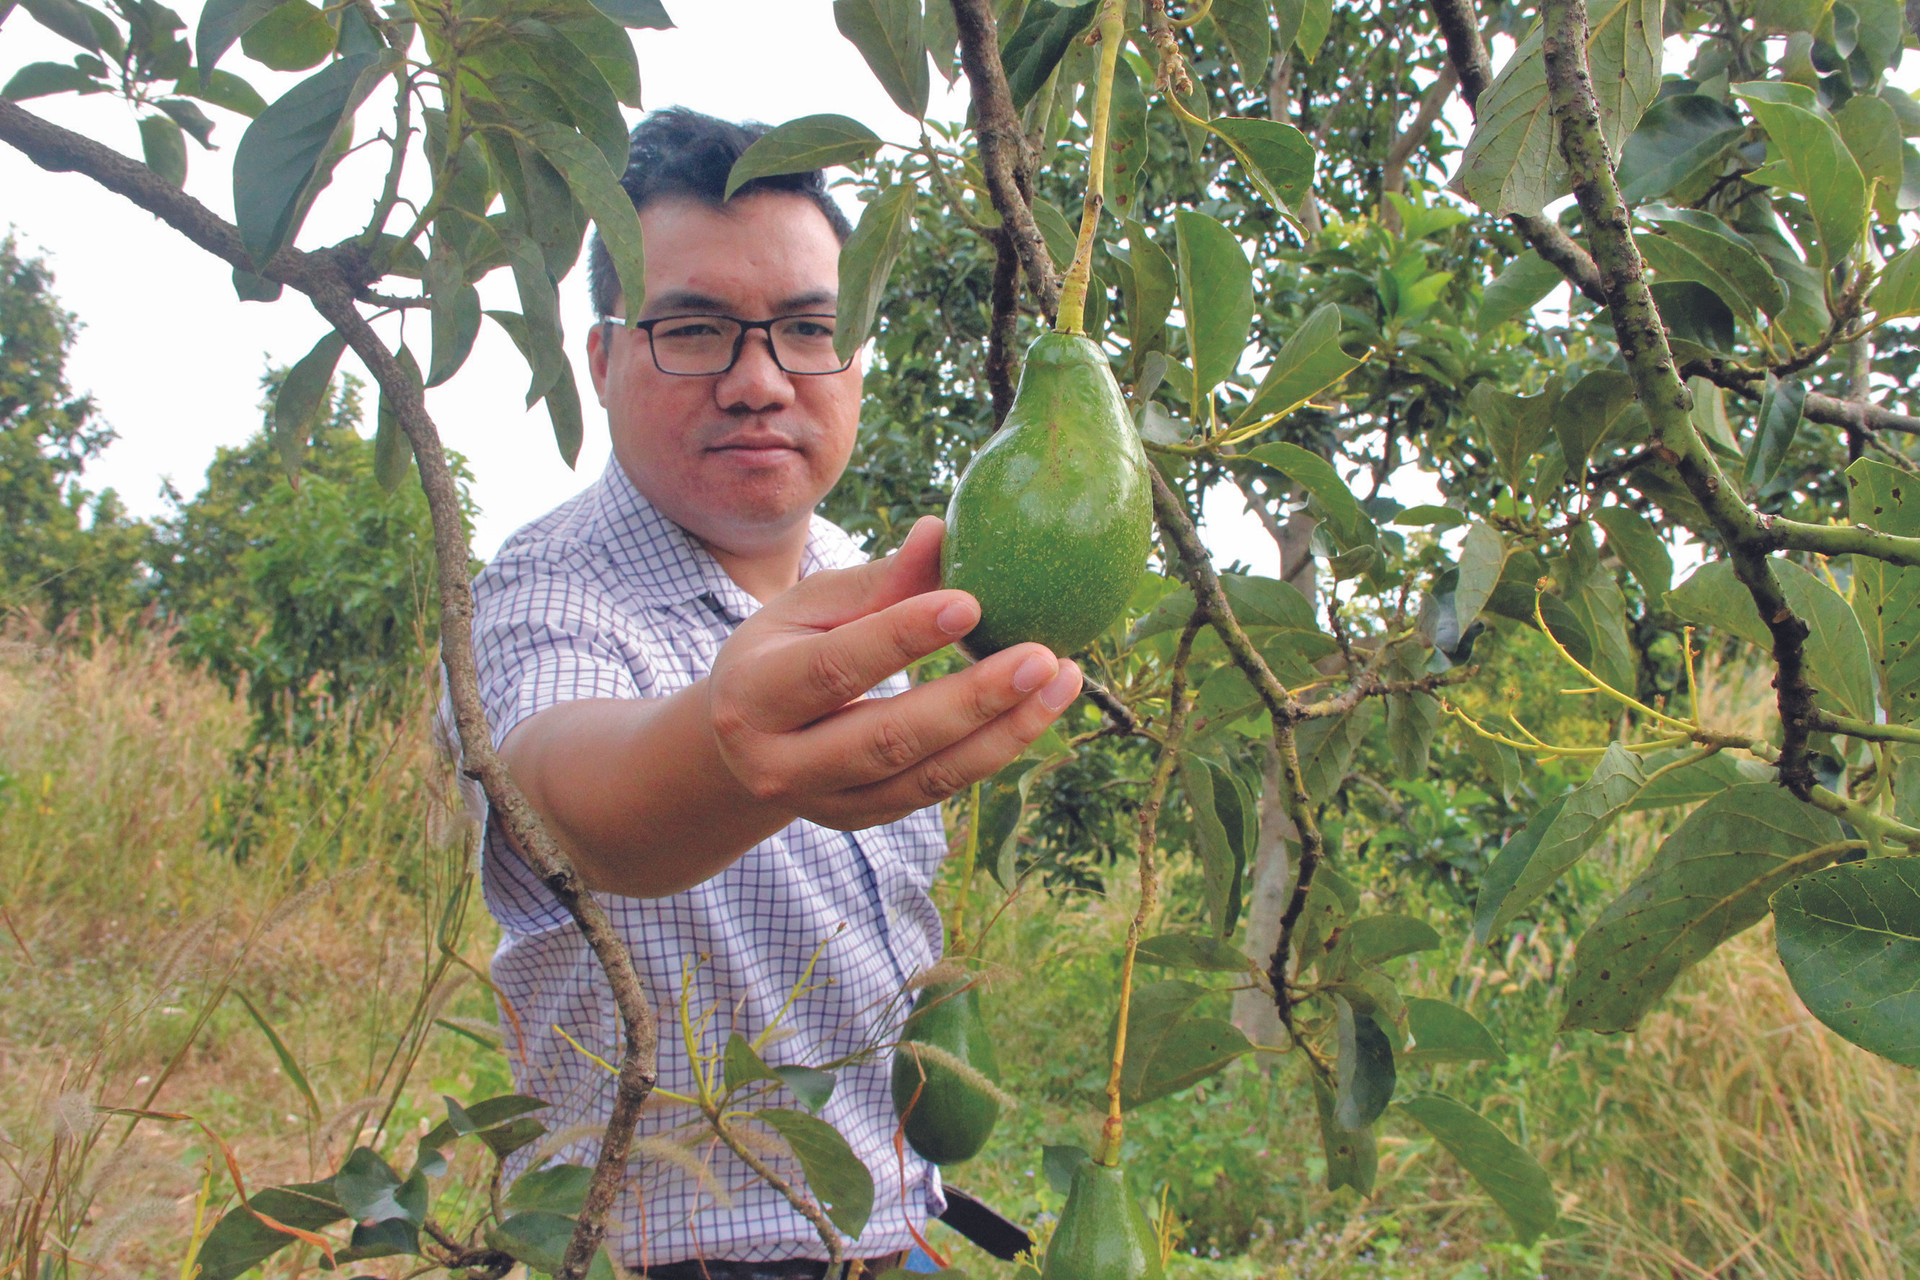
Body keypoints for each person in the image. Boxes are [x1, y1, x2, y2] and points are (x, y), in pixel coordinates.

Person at [456, 107, 1082, 1278]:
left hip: (896, 1232)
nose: (758, 381)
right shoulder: (547, 590)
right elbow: (572, 802)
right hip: (661, 1252)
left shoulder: (865, 581)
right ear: (603, 360)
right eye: (693, 329)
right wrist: (729, 743)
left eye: (806, 329)